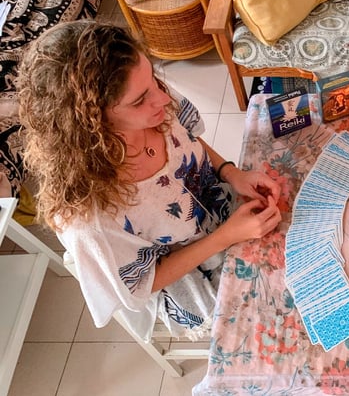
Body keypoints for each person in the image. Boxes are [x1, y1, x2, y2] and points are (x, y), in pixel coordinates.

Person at [16, 21, 283, 341]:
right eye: (139, 100)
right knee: (277, 322)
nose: (162, 98)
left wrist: (231, 173)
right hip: (192, 273)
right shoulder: (91, 218)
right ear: (91, 122)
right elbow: (143, 284)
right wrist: (225, 237)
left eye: (154, 78)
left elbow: (190, 138)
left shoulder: (153, 95)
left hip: (226, 213)